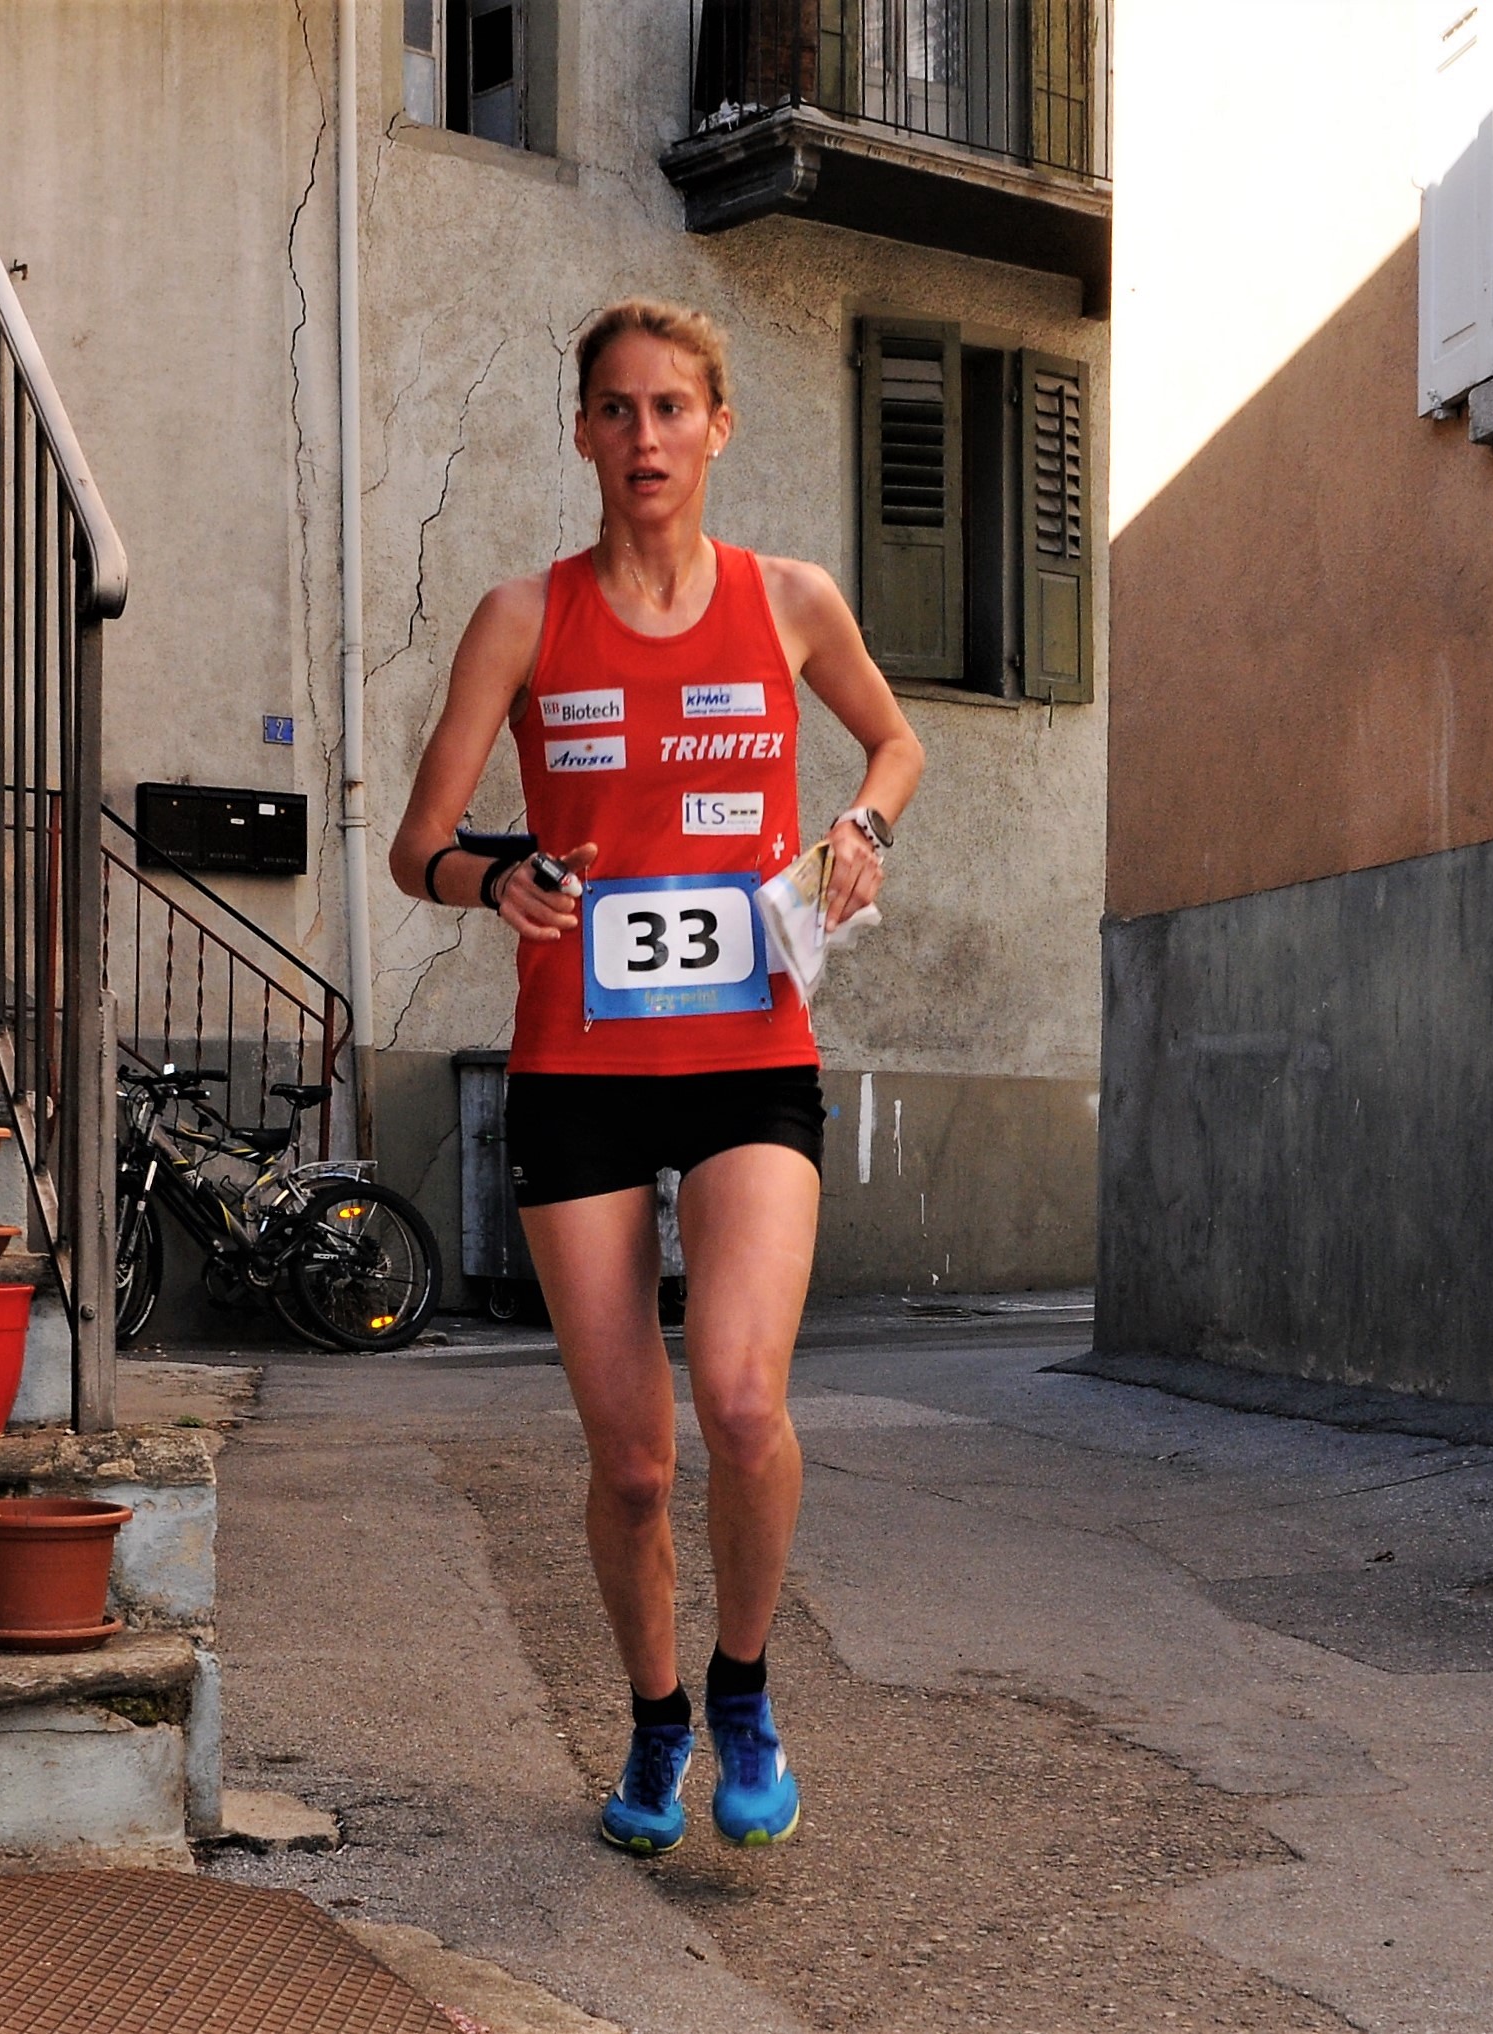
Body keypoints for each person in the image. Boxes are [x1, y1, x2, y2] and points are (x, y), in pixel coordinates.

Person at [386, 300, 923, 1853]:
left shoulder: (791, 602)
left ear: (718, 428)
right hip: (579, 1067)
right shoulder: (518, 617)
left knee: (743, 1404)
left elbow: (893, 750)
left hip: (751, 1052)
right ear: (580, 433)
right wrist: (492, 880)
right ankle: (652, 1722)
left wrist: (860, 833)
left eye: (672, 409)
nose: (644, 438)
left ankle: (744, 1690)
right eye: (615, 411)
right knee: (631, 1463)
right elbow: (421, 841)